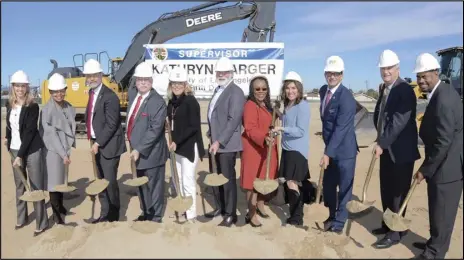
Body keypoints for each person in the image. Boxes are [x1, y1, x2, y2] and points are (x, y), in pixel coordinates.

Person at [412, 53, 463, 260]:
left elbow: (444, 141)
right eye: (419, 77)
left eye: (425, 76)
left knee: (442, 214)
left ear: (436, 73)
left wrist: (425, 169)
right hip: (441, 164)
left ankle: (434, 253)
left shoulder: (443, 98)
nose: (421, 81)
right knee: (436, 210)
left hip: (447, 168)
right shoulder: (440, 92)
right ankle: (434, 243)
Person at [371, 50, 421, 249]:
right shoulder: (385, 88)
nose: (386, 71)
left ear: (398, 68)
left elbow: (399, 122)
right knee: (386, 190)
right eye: (383, 68)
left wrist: (381, 143)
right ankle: (387, 224)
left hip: (400, 152)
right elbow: (381, 116)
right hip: (386, 149)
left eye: (389, 68)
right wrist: (380, 140)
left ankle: (396, 233)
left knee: (398, 193)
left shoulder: (405, 90)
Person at [5, 70, 48, 236]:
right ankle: (21, 218)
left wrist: (20, 156)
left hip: (31, 150)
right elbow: (10, 126)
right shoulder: (10, 105)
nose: (20, 89)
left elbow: (30, 132)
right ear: (13, 87)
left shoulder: (33, 106)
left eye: (23, 86)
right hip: (15, 150)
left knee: (36, 186)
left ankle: (42, 222)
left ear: (27, 87)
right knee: (20, 187)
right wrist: (7, 139)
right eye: (17, 86)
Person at [84, 59, 127, 223]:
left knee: (109, 183)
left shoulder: (110, 96)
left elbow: (111, 124)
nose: (92, 78)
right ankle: (104, 213)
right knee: (100, 181)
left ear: (101, 75)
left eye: (95, 75)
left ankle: (114, 217)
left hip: (108, 146)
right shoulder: (92, 93)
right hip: (97, 143)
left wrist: (97, 143)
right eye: (89, 76)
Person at [318, 56, 358, 234]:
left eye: (336, 74)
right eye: (329, 73)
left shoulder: (346, 98)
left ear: (342, 75)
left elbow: (341, 129)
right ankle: (331, 215)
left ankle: (339, 223)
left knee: (344, 188)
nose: (332, 76)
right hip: (331, 149)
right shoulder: (322, 91)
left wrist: (328, 153)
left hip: (344, 152)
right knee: (328, 186)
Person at [205, 56, 246, 227]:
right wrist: (211, 133)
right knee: (216, 177)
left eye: (225, 72)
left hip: (226, 145)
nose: (221, 74)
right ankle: (220, 208)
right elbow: (215, 115)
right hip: (215, 142)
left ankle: (230, 214)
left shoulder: (235, 92)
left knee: (227, 179)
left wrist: (219, 141)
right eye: (219, 72)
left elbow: (233, 120)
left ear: (231, 73)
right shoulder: (219, 89)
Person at [126, 61, 168, 223]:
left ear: (152, 81)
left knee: (154, 186)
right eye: (140, 79)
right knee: (141, 183)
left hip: (151, 153)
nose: (143, 82)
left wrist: (139, 149)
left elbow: (155, 130)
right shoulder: (134, 97)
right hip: (136, 151)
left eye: (146, 80)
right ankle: (146, 212)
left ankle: (156, 216)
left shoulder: (157, 102)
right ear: (136, 81)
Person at [166, 66, 205, 223]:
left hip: (189, 147)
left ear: (185, 84)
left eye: (179, 83)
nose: (176, 86)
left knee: (188, 181)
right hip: (177, 147)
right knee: (178, 180)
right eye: (174, 83)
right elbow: (172, 124)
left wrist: (177, 141)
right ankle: (183, 208)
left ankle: (191, 215)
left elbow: (193, 127)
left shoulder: (191, 101)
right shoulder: (171, 103)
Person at [271, 71, 310, 226]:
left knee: (292, 183)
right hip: (287, 150)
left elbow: (300, 130)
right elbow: (289, 121)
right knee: (289, 182)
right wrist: (280, 114)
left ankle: (297, 217)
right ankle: (295, 214)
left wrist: (281, 129)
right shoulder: (289, 105)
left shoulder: (302, 105)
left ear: (299, 89)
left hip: (297, 151)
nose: (290, 91)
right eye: (287, 88)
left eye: (293, 88)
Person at [240, 75, 279, 227]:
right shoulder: (250, 105)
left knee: (264, 179)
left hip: (267, 149)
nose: (261, 91)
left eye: (264, 88)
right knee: (252, 184)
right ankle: (251, 213)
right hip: (254, 150)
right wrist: (263, 138)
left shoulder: (267, 105)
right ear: (252, 90)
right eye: (257, 89)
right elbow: (250, 128)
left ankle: (261, 206)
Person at [39, 73, 77, 225]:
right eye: (55, 91)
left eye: (61, 90)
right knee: (54, 184)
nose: (59, 94)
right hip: (53, 151)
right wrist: (63, 154)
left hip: (64, 150)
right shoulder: (47, 110)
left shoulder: (68, 106)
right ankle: (56, 215)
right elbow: (51, 136)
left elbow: (70, 127)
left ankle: (61, 207)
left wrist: (67, 150)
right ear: (50, 93)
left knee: (62, 180)